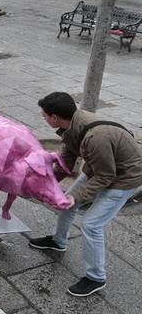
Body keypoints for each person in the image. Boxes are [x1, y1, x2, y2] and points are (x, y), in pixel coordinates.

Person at [28, 92, 142, 297]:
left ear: (55, 117)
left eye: (44, 115)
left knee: (91, 224)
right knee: (66, 203)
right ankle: (58, 241)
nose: (43, 118)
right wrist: (44, 184)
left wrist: (76, 196)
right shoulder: (70, 126)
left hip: (125, 178)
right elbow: (66, 162)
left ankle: (96, 277)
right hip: (101, 169)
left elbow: (106, 177)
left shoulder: (95, 137)